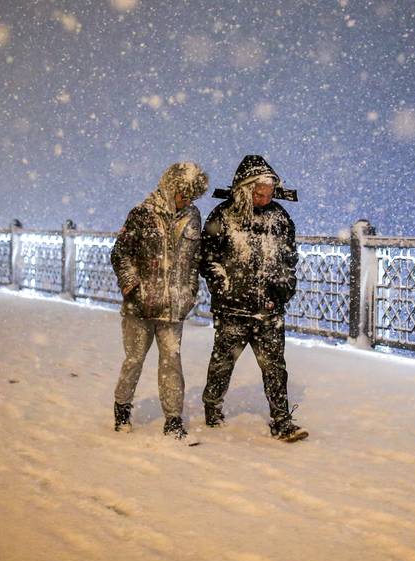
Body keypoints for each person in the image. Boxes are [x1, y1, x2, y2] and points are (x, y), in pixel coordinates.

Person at [199, 155, 307, 442]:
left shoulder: (280, 218)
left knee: (274, 367)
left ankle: (282, 420)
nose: (264, 198)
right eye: (258, 193)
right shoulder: (223, 215)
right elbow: (208, 259)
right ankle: (212, 407)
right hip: (232, 309)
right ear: (245, 189)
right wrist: (223, 286)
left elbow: (288, 261)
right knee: (222, 363)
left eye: (268, 193)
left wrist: (282, 291)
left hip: (268, 311)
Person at [110, 162, 209, 439]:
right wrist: (133, 287)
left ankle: (173, 419)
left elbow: (193, 260)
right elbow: (120, 254)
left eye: (191, 197)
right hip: (140, 307)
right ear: (170, 188)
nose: (186, 201)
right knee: (134, 359)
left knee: (171, 361)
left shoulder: (193, 217)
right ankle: (122, 407)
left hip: (174, 306)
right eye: (183, 195)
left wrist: (189, 292)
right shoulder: (142, 214)